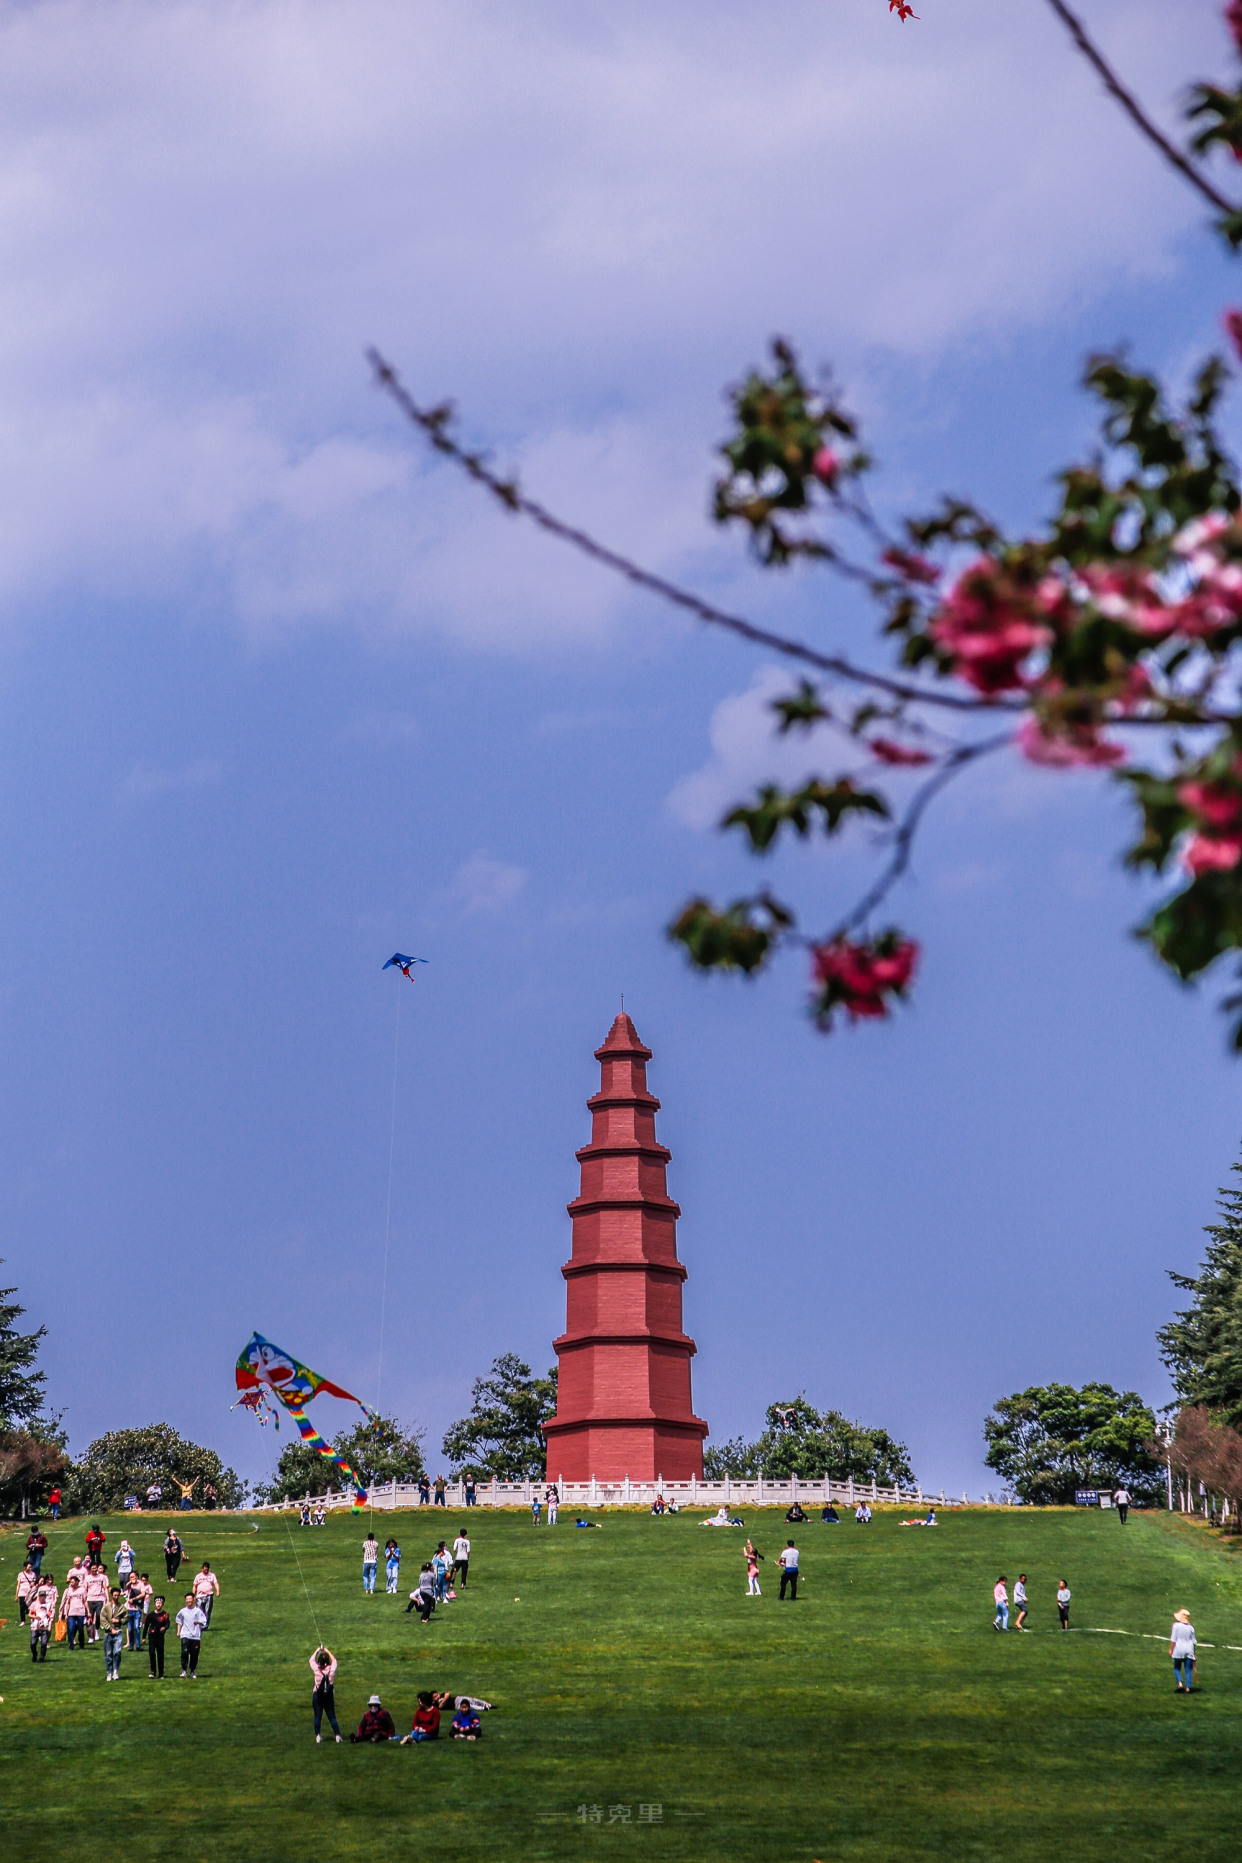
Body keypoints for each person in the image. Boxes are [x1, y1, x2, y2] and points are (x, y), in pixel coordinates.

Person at [310, 1644, 342, 1741]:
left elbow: (311, 1660)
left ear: (319, 1662)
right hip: (328, 1696)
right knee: (332, 1716)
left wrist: (318, 1650)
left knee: (317, 1716)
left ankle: (318, 1735)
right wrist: (327, 1651)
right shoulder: (331, 1670)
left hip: (317, 1695)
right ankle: (337, 1735)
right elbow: (335, 1661)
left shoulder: (316, 1670)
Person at [176, 1592, 206, 1676]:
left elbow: (204, 1621)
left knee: (194, 1654)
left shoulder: (198, 1611)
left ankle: (192, 1671)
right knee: (184, 1652)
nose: (189, 1601)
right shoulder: (182, 1611)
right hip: (185, 1634)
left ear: (194, 1600)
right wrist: (178, 1632)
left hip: (195, 1636)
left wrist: (198, 1622)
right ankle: (184, 1670)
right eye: (187, 1599)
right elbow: (179, 1622)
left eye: (190, 1599)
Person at [101, 1586, 127, 1681]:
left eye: (117, 1595)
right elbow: (102, 1619)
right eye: (114, 1595)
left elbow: (126, 1618)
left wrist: (118, 1621)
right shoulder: (106, 1607)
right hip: (108, 1633)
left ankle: (116, 1671)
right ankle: (109, 1672)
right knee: (108, 1654)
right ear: (112, 1595)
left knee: (117, 1652)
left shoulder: (122, 1607)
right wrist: (109, 1628)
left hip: (118, 1632)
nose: (116, 1597)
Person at [1170, 1609, 1196, 1691]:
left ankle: (1180, 1683)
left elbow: (1173, 1640)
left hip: (1178, 1649)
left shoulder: (1175, 1626)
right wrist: (1194, 1653)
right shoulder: (1191, 1628)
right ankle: (1188, 1687)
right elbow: (1193, 1641)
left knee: (1176, 1668)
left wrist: (1171, 1649)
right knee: (1188, 1670)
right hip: (1189, 1650)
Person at [28, 1580, 54, 1663]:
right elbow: (29, 1614)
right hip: (35, 1627)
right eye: (41, 1596)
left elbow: (50, 1614)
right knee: (33, 1643)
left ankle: (42, 1658)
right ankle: (34, 1654)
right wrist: (36, 1616)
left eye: (44, 1596)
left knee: (43, 1643)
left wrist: (47, 1617)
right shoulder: (34, 1604)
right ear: (38, 1596)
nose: (42, 1597)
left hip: (44, 1627)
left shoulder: (48, 1604)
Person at [84, 1561, 110, 1643]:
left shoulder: (101, 1577)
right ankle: (91, 1636)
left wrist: (107, 1599)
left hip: (100, 1599)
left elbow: (105, 1588)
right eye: (93, 1568)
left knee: (99, 1615)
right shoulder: (87, 1578)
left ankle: (97, 1630)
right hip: (90, 1599)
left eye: (95, 1568)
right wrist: (84, 1599)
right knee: (90, 1617)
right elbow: (85, 1589)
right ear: (90, 1569)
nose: (94, 1570)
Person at [61, 1572, 88, 1650]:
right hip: (71, 1613)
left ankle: (81, 1645)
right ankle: (71, 1644)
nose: (71, 1584)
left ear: (77, 1582)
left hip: (80, 1612)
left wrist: (88, 1612)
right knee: (71, 1628)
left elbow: (85, 1601)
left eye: (72, 1582)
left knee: (80, 1629)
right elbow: (68, 1603)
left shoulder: (82, 1590)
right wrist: (66, 1613)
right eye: (70, 1582)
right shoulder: (69, 1591)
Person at [147, 1596, 170, 1677]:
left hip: (160, 1637)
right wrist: (143, 1637)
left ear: (162, 1604)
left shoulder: (165, 1614)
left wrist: (165, 1628)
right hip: (152, 1637)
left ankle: (161, 1673)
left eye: (160, 1603)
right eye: (157, 1603)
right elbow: (146, 1625)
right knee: (152, 1653)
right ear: (154, 1604)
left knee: (160, 1655)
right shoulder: (151, 1615)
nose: (158, 1605)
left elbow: (168, 1624)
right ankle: (153, 1671)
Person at [192, 1561, 220, 1628]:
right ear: (202, 1569)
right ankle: (200, 1625)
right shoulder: (198, 1576)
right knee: (199, 1611)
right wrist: (193, 1595)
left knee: (207, 1612)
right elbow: (195, 1586)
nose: (206, 1571)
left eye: (207, 1569)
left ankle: (205, 1626)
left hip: (209, 1595)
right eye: (205, 1569)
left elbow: (216, 1583)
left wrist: (218, 1591)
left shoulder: (212, 1575)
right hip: (199, 1596)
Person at [126, 1576, 146, 1650]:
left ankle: (137, 1645)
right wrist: (131, 1582)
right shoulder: (129, 1585)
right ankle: (131, 1646)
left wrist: (134, 1599)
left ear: (136, 1577)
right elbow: (126, 1586)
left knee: (137, 1627)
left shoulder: (140, 1584)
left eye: (134, 1577)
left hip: (137, 1609)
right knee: (130, 1629)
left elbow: (143, 1594)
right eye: (131, 1577)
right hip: (129, 1609)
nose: (132, 1578)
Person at [16, 1560, 36, 1624]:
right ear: (25, 1567)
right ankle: (23, 1621)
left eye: (31, 1567)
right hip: (22, 1592)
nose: (30, 1568)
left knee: (29, 1607)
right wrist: (16, 1595)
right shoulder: (20, 1574)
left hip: (29, 1593)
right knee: (22, 1607)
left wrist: (33, 1584)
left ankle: (32, 1619)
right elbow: (18, 1585)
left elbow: (34, 1582)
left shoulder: (33, 1574)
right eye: (29, 1567)